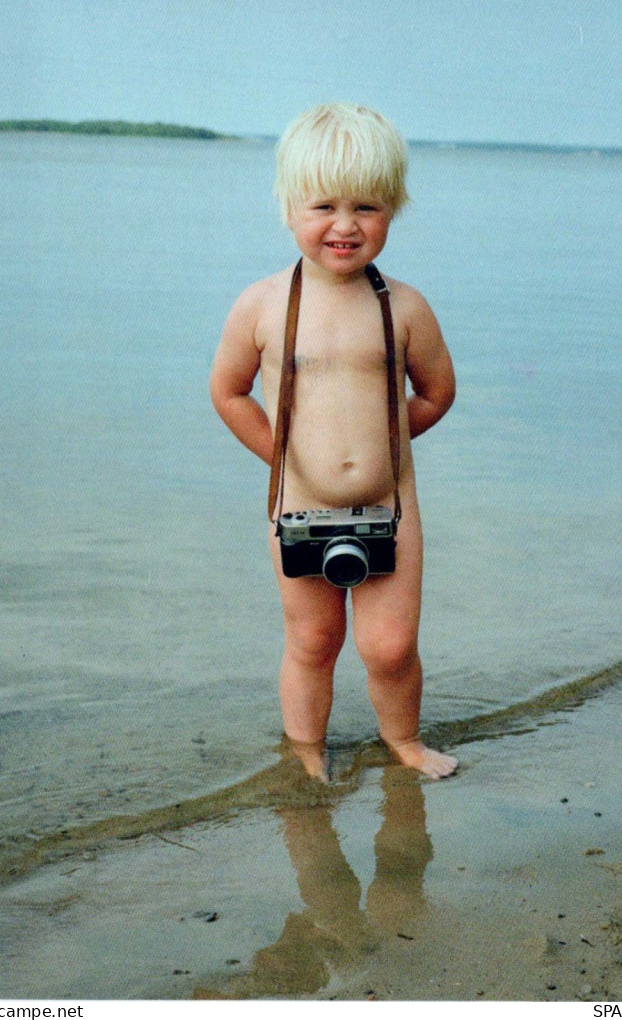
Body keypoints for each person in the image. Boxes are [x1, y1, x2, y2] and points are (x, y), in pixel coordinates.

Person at [210, 103, 458, 781]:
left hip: (389, 508)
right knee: (314, 640)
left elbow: (437, 391)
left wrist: (384, 444)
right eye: (323, 205)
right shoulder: (262, 304)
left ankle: (402, 739)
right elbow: (228, 390)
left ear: (394, 210)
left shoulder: (403, 307)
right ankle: (307, 752)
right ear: (288, 206)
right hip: (298, 504)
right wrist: (285, 455)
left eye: (367, 208)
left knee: (391, 646)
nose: (345, 225)